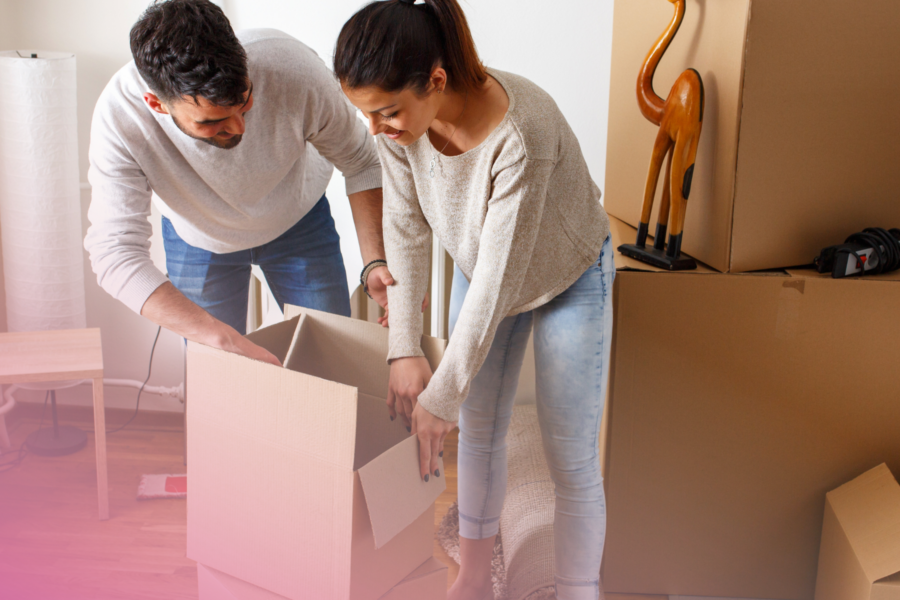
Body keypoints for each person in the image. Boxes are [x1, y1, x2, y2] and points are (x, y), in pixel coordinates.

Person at [334, 1, 614, 599]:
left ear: (436, 81)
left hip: (566, 274)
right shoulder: (397, 128)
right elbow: (405, 229)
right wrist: (403, 346)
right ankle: (473, 579)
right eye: (366, 114)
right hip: (482, 266)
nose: (376, 129)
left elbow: (497, 283)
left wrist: (442, 394)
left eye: (387, 112)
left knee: (570, 456)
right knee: (480, 430)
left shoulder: (522, 133)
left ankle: (578, 590)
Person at [85, 0, 393, 365]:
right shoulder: (120, 118)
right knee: (218, 373)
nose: (238, 128)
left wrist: (375, 261)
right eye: (211, 121)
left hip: (298, 221)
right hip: (198, 237)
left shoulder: (294, 69)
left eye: (245, 102)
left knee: (331, 363)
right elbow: (115, 252)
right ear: (158, 104)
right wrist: (220, 338)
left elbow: (361, 161)